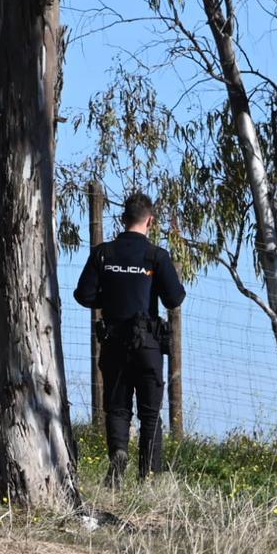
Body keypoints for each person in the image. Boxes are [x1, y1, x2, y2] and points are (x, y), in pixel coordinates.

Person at [73, 192, 186, 488]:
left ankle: (118, 457)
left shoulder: (103, 253)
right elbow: (175, 299)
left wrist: (108, 299)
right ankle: (148, 474)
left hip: (113, 341)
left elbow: (83, 295)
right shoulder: (156, 256)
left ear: (123, 219)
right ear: (150, 220)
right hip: (147, 343)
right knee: (150, 413)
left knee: (117, 407)